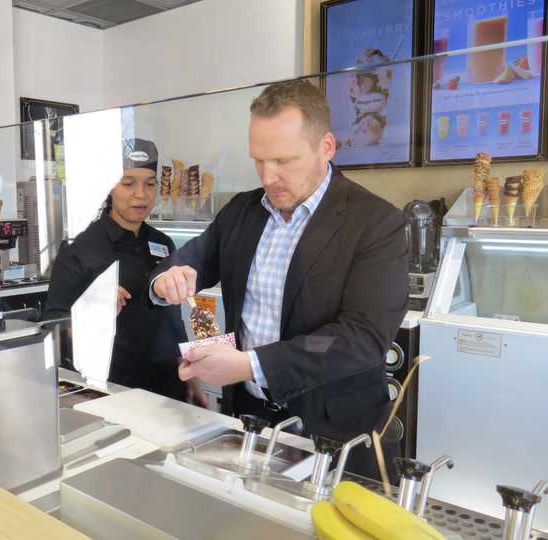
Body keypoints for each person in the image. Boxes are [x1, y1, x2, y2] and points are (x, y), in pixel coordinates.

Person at [150, 79, 408, 479]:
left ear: (326, 147)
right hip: (248, 421)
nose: (268, 177)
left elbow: (359, 338)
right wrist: (167, 279)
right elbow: (190, 260)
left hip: (334, 432)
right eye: (258, 160)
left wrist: (251, 365)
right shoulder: (242, 211)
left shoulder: (376, 223)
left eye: (284, 161)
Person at [45, 138, 206, 404]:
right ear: (109, 187)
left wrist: (191, 375)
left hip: (168, 387)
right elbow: (53, 325)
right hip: (110, 390)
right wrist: (92, 309)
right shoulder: (80, 249)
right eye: (128, 183)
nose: (141, 194)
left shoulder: (163, 244)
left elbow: (173, 319)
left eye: (150, 183)